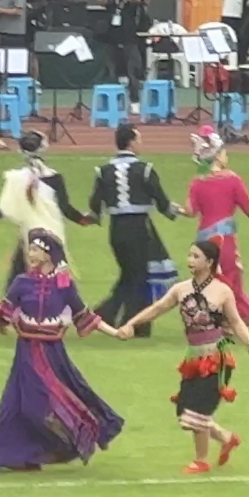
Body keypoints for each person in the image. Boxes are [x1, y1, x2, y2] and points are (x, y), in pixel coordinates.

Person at [0, 230, 126, 472]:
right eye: (30, 249)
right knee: (15, 404)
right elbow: (0, 312)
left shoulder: (64, 285)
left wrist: (115, 332)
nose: (30, 253)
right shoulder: (21, 282)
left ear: (48, 254)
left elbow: (85, 316)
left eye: (35, 249)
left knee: (40, 404)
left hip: (52, 355)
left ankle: (50, 447)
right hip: (26, 352)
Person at [117, 239, 249, 475]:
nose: (190, 261)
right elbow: (157, 308)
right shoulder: (181, 289)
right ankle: (226, 438)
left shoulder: (222, 291)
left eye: (196, 256)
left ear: (209, 262)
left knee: (197, 414)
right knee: (185, 413)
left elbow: (236, 321)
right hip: (193, 358)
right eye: (190, 255)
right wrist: (131, 324)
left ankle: (201, 460)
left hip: (216, 359)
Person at [87, 124, 181, 337]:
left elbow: (95, 205)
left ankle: (103, 316)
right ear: (131, 142)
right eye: (138, 139)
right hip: (139, 228)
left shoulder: (103, 171)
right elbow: (162, 201)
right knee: (140, 277)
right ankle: (134, 323)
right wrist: (177, 211)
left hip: (116, 229)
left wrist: (91, 217)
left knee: (129, 275)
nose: (141, 143)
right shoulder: (145, 169)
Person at [183, 126, 249, 327]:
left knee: (208, 277)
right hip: (225, 239)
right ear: (217, 155)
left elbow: (189, 211)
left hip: (203, 238)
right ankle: (235, 315)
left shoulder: (197, 182)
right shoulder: (232, 179)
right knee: (231, 276)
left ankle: (209, 314)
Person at [0, 132, 93, 286]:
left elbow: (3, 207)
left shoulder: (16, 178)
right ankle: (64, 299)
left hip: (29, 235)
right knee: (60, 276)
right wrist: (83, 219)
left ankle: (12, 302)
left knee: (18, 278)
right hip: (53, 235)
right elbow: (65, 208)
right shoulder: (54, 178)